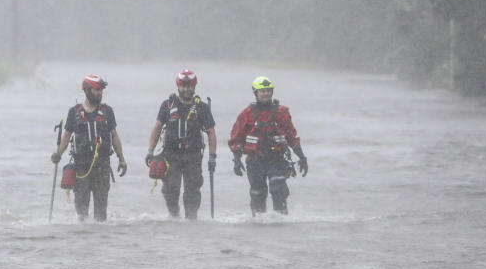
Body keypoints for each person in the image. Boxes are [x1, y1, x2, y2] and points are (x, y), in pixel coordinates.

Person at [51, 74, 128, 221]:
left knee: (101, 214)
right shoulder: (74, 112)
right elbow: (66, 136)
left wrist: (122, 159)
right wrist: (58, 154)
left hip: (102, 167)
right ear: (86, 90)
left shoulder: (107, 111)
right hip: (81, 168)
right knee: (82, 213)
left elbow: (115, 136)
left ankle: (99, 241)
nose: (99, 93)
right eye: (96, 89)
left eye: (101, 90)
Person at [228, 75, 308, 215]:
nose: (266, 93)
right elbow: (236, 139)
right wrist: (237, 159)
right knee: (257, 194)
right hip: (255, 160)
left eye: (269, 90)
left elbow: (291, 136)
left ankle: (281, 223)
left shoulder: (282, 112)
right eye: (262, 91)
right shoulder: (246, 114)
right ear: (256, 93)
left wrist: (302, 157)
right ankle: (259, 226)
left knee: (278, 189)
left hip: (277, 158)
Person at [145, 69, 217, 219]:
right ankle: (174, 218)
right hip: (171, 156)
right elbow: (157, 128)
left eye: (189, 86)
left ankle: (191, 221)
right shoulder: (167, 105)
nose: (186, 89)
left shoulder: (202, 108)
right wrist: (150, 151)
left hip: (193, 157)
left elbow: (211, 133)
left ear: (194, 86)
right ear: (178, 86)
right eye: (183, 86)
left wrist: (212, 157)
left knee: (192, 191)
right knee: (171, 190)